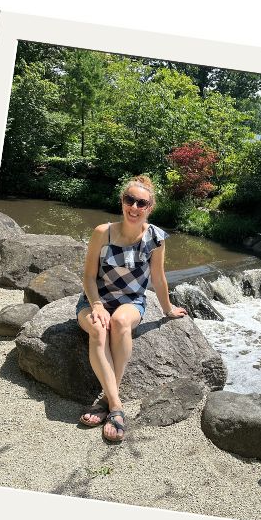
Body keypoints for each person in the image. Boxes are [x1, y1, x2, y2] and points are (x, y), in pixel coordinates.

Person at [76, 175, 187, 443]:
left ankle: (107, 402)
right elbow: (89, 277)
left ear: (150, 207)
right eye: (130, 200)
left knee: (121, 323)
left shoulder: (156, 238)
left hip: (131, 301)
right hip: (95, 299)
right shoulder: (103, 232)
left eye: (142, 203)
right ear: (122, 201)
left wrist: (168, 308)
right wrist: (97, 305)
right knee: (100, 330)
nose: (134, 207)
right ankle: (115, 405)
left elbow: (159, 279)